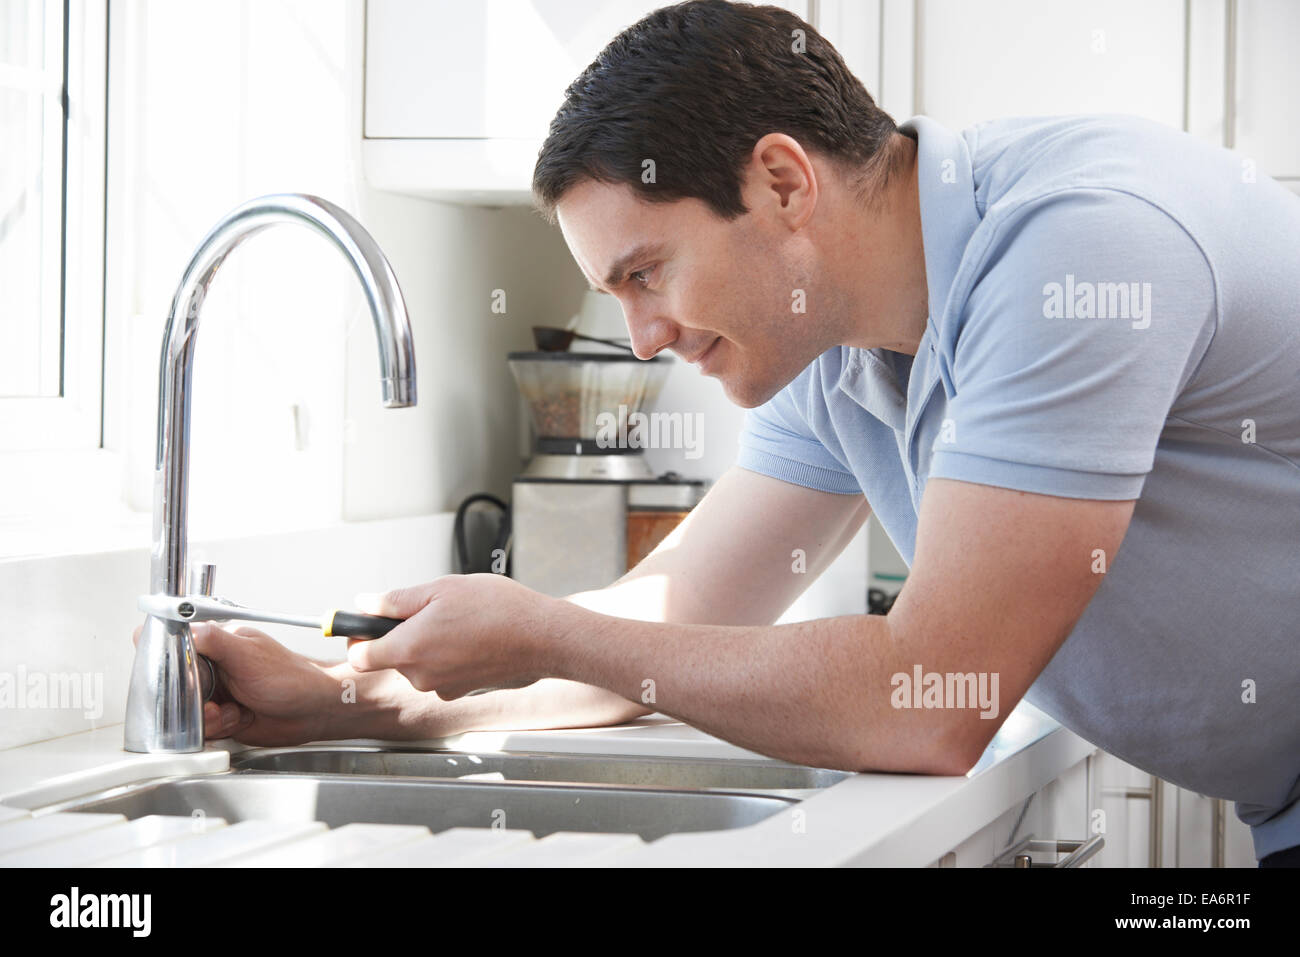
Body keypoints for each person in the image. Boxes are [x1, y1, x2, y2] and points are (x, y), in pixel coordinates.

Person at [150, 1, 1300, 865]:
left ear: (783, 183)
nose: (642, 338)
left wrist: (549, 631)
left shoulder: (1077, 245)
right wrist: (350, 697)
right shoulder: (836, 344)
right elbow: (678, 615)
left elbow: (935, 696)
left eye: (647, 272)